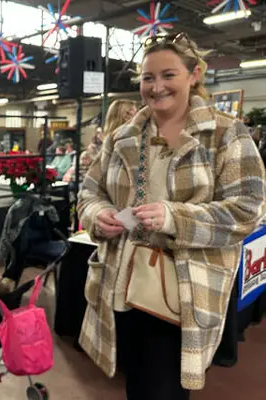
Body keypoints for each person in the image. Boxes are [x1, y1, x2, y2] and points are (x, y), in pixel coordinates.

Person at [77, 32, 266, 400]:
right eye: (148, 77)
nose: (156, 86)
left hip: (185, 292)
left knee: (163, 390)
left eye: (168, 75)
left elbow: (248, 208)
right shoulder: (122, 138)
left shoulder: (226, 135)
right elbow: (89, 191)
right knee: (137, 385)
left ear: (194, 74)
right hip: (121, 285)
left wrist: (174, 219)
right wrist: (98, 215)